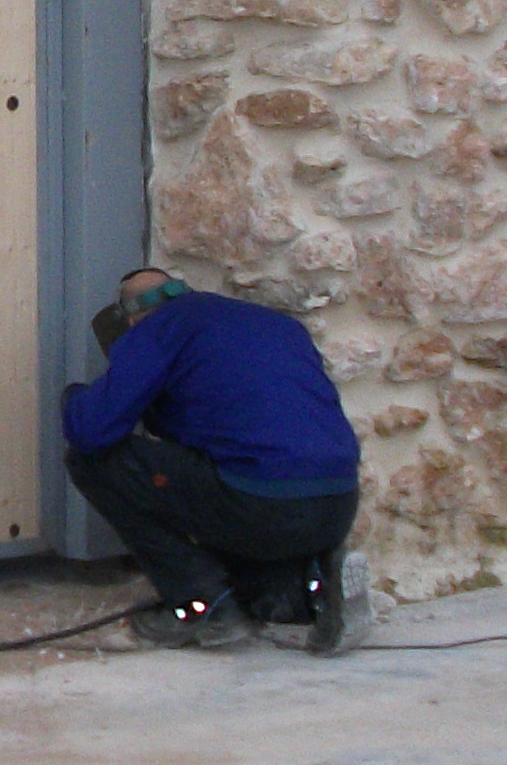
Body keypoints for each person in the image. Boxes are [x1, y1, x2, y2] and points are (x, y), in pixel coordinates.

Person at [62, 268, 361, 651]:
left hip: (260, 506)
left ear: (131, 318)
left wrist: (74, 398)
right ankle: (313, 589)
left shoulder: (159, 328)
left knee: (93, 463)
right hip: (337, 505)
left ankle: (203, 604)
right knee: (254, 573)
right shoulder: (273, 324)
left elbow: (91, 430)